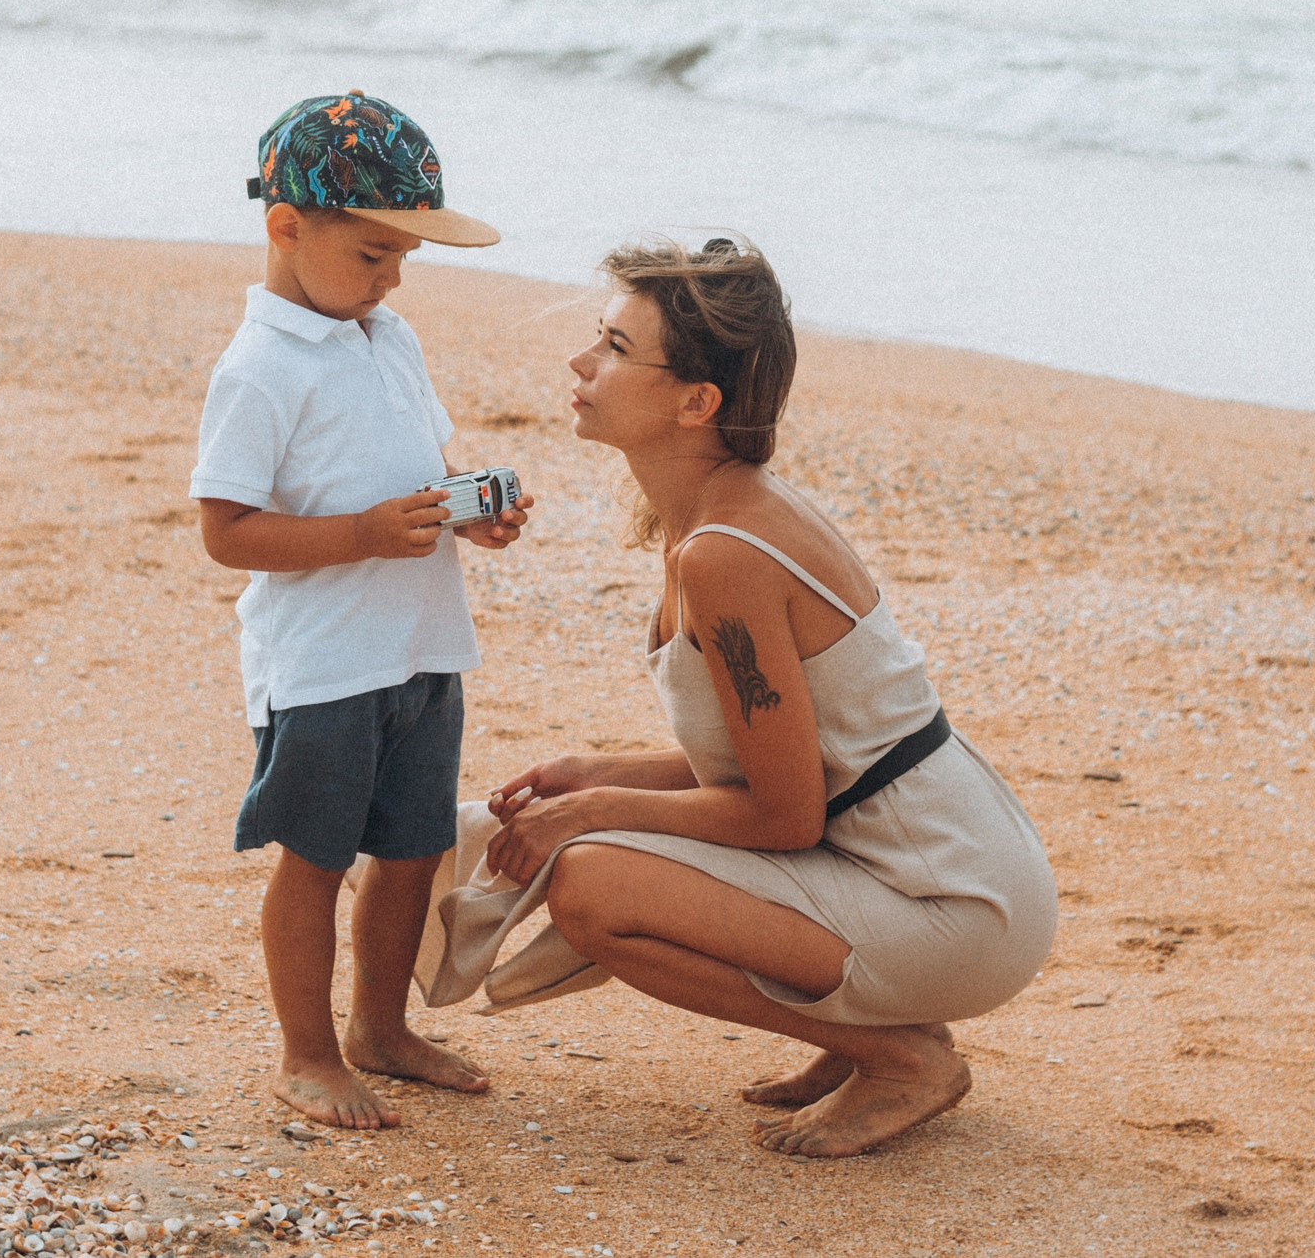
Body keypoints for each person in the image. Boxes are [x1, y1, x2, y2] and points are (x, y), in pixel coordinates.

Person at [465, 235, 1057, 1158]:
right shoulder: (721, 512)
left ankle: (900, 1056)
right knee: (595, 840)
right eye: (599, 338)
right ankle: (869, 1034)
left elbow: (786, 812)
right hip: (940, 860)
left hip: (953, 902)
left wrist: (590, 809)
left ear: (696, 402)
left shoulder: (727, 552)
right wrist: (597, 772)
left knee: (592, 886)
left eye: (617, 348)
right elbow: (791, 759)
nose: (582, 362)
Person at [190, 91, 532, 1130]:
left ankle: (379, 1027)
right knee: (317, 857)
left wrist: (469, 511)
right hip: (327, 660)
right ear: (286, 227)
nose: (389, 278)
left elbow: (418, 468)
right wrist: (358, 535)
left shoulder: (388, 336)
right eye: (372, 254)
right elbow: (226, 531)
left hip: (423, 645)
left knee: (413, 847)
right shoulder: (258, 369)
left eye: (402, 260)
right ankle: (307, 1052)